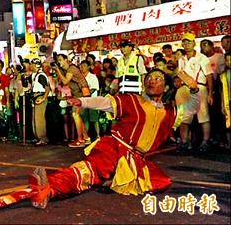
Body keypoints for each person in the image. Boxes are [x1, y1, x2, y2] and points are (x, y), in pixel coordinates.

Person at [27, 68, 178, 210]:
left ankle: (111, 178)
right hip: (115, 148)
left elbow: (192, 108)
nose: (151, 81)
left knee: (161, 181)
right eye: (149, 78)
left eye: (157, 79)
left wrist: (194, 90)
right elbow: (105, 103)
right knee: (88, 170)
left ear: (166, 87)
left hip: (136, 159)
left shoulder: (170, 112)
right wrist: (82, 101)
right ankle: (49, 189)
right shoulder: (132, 100)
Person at [177, 32, 214, 152]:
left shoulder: (201, 58)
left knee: (203, 116)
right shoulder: (181, 59)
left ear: (193, 43)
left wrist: (210, 93)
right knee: (183, 117)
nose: (186, 44)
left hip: (199, 88)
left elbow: (209, 75)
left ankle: (205, 141)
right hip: (184, 89)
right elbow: (181, 75)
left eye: (189, 42)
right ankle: (184, 141)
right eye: (184, 42)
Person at [53, 54, 90, 147]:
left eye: (61, 60)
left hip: (82, 93)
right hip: (77, 94)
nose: (59, 62)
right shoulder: (64, 70)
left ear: (66, 60)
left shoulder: (72, 68)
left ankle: (80, 140)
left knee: (75, 114)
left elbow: (65, 81)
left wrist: (57, 70)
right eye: (58, 60)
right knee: (77, 115)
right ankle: (86, 137)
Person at [28, 59, 50, 146]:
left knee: (39, 118)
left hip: (40, 96)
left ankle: (42, 138)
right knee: (35, 118)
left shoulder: (41, 75)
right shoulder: (34, 75)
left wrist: (43, 98)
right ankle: (37, 136)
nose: (30, 66)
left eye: (31, 64)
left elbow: (47, 87)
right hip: (35, 96)